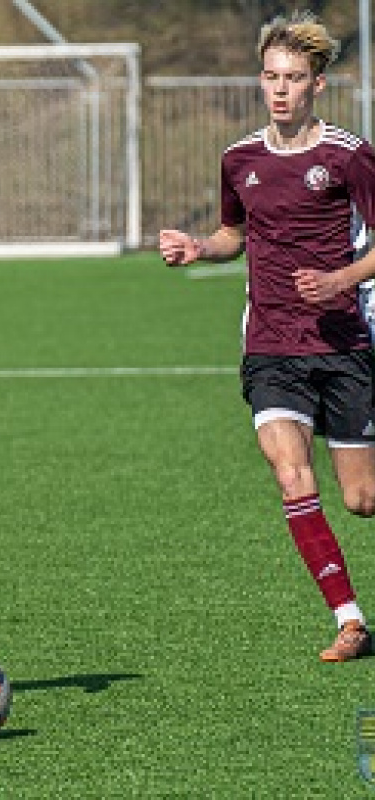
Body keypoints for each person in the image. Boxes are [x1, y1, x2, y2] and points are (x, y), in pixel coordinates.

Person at [160, 10, 375, 663]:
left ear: (318, 85)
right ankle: (350, 620)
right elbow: (234, 236)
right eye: (272, 77)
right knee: (290, 474)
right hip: (272, 343)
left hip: (343, 343)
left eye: (295, 78)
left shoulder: (348, 156)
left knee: (362, 499)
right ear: (261, 80)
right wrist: (199, 246)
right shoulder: (240, 159)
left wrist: (341, 280)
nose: (281, 89)